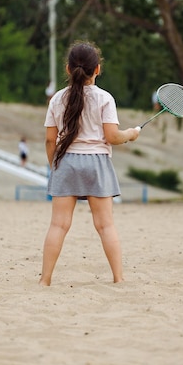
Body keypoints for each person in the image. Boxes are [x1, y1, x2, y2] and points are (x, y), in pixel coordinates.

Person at [39, 41, 140, 286]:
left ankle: (45, 280)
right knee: (105, 225)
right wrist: (130, 134)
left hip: (67, 162)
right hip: (97, 163)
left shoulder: (57, 99)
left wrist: (56, 166)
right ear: (97, 69)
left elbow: (50, 139)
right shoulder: (105, 98)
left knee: (58, 225)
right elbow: (112, 137)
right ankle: (118, 278)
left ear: (67, 69)